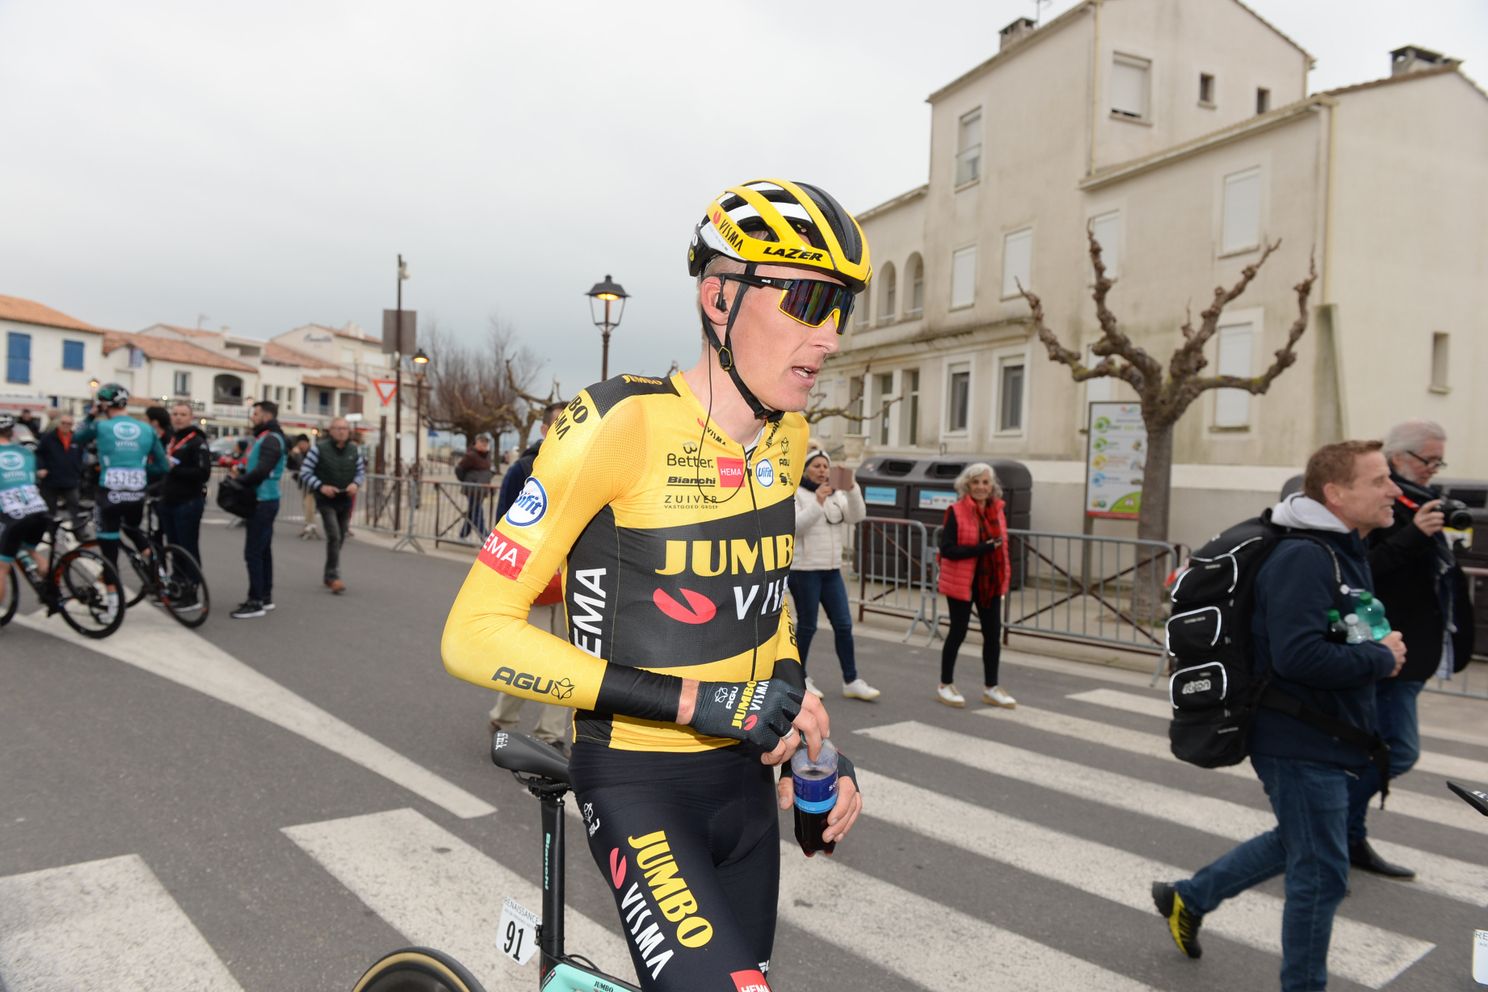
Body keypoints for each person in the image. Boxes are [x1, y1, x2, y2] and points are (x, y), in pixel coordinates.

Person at [442, 178, 868, 991]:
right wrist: (695, 703)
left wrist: (801, 719)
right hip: (640, 784)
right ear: (719, 298)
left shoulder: (790, 436)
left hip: (743, 784)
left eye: (843, 308)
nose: (833, 336)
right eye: (811, 300)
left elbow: (763, 603)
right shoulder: (617, 423)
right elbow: (474, 633)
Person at [1154, 440, 1407, 992]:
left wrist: (1375, 648)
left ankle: (1188, 897)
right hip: (1297, 737)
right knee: (1321, 875)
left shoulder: (1344, 548)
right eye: (1381, 480)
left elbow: (1338, 630)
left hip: (1332, 733)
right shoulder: (1304, 557)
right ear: (1336, 494)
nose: (1395, 490)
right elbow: (1299, 657)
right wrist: (1379, 657)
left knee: (1303, 843)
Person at [1346, 421, 1475, 879]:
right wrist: (1415, 534)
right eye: (1429, 460)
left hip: (1415, 650)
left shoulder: (1422, 503)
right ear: (1399, 457)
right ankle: (1329, 823)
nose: (1434, 469)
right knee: (1397, 751)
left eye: (1439, 461)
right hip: (1387, 651)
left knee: (1376, 749)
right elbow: (1363, 574)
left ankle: (1349, 836)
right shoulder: (1380, 505)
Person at [486, 401, 572, 748]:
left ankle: (550, 735)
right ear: (544, 430)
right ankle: (503, 717)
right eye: (559, 423)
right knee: (528, 658)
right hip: (531, 578)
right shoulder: (522, 469)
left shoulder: (588, 464)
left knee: (565, 660)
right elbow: (503, 526)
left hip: (573, 579)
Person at [790, 446, 877, 701]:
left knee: (843, 624)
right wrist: (817, 502)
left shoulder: (836, 495)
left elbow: (856, 516)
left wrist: (852, 490)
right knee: (807, 626)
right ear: (805, 469)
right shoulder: (797, 493)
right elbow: (797, 527)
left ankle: (851, 680)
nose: (822, 470)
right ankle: (800, 678)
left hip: (831, 570)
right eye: (816, 466)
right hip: (804, 570)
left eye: (825, 466)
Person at [73, 384, 167, 601]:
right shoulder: (147, 429)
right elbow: (163, 467)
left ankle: (113, 605)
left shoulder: (101, 427)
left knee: (109, 551)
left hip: (110, 494)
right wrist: (140, 470)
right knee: (134, 529)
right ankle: (160, 575)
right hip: (136, 493)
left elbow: (77, 438)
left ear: (104, 404)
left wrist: (91, 416)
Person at [935, 462, 1014, 708]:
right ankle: (945, 684)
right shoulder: (956, 511)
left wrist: (1005, 575)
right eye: (976, 482)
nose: (981, 487)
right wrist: (984, 548)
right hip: (962, 581)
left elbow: (1003, 549)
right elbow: (947, 550)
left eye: (985, 482)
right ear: (967, 485)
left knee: (992, 635)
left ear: (992, 486)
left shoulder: (998, 511)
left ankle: (991, 687)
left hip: (989, 583)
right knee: (958, 632)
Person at [231, 400, 286, 619]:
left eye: (255, 413)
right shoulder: (265, 437)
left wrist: (240, 481)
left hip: (263, 500)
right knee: (263, 550)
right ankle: (264, 596)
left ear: (266, 416)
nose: (252, 417)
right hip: (263, 498)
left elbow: (263, 469)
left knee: (253, 551)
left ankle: (256, 602)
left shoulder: (271, 438)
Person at [300, 417, 366, 595]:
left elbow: (361, 472)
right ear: (331, 430)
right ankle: (332, 576)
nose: (342, 431)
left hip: (345, 498)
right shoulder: (319, 449)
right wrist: (321, 486)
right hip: (326, 499)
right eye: (338, 428)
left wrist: (356, 484)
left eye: (344, 428)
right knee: (334, 535)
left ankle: (330, 570)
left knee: (341, 536)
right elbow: (305, 471)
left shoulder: (354, 450)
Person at [0, 413, 51, 607]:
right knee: (31, 550)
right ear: (12, 432)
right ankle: (49, 581)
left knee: (2, 568)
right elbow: (30, 479)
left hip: (13, 514)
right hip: (37, 508)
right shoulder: (26, 453)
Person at [158, 401, 212, 568]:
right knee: (173, 546)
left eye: (183, 415)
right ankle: (178, 582)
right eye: (175, 414)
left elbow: (203, 473)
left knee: (187, 547)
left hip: (188, 502)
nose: (178, 418)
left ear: (191, 418)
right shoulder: (172, 439)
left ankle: (192, 584)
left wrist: (175, 469)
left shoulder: (197, 441)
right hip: (168, 500)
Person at [34, 412, 85, 528]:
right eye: (63, 423)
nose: (66, 425)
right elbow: (39, 454)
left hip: (71, 479)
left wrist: (78, 469)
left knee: (74, 507)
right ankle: (48, 533)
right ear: (58, 423)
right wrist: (41, 468)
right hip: (51, 480)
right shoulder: (48, 438)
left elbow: (82, 454)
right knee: (49, 510)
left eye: (69, 423)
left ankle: (78, 531)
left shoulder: (77, 438)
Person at [454, 434, 496, 539]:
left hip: (482, 489)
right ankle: (485, 535)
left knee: (472, 512)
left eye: (485, 443)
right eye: (481, 442)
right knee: (477, 512)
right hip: (472, 489)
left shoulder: (487, 456)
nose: (484, 445)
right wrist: (466, 481)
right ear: (476, 443)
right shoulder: (471, 455)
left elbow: (487, 471)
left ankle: (463, 534)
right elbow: (459, 469)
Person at [285, 434, 319, 540]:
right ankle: (308, 526)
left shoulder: (312, 453)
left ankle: (310, 526)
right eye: (299, 443)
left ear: (308, 443)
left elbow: (303, 467)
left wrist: (298, 456)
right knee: (306, 505)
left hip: (311, 484)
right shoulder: (297, 452)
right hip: (302, 483)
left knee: (309, 505)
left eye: (303, 443)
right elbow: (289, 466)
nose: (301, 445)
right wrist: (291, 456)